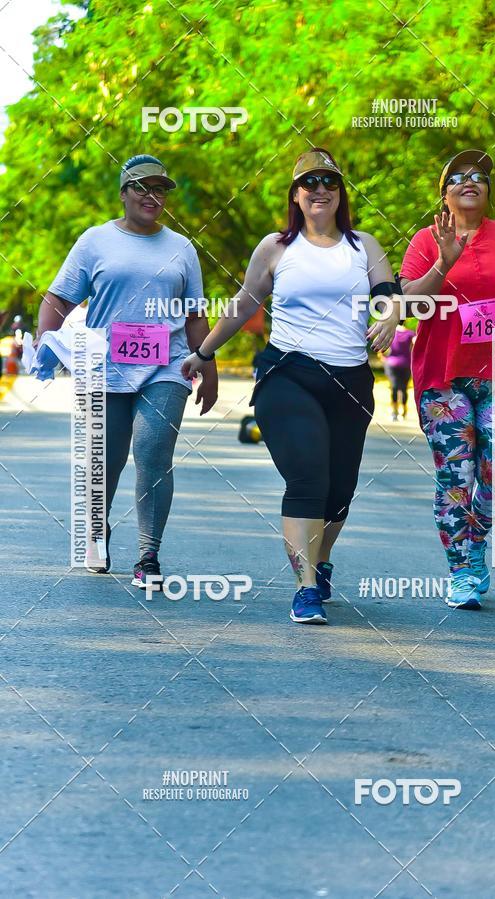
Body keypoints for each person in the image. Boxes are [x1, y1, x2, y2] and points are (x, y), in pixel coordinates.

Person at [182, 148, 401, 624]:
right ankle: (305, 589)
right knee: (308, 478)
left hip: (350, 380)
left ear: (341, 193)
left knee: (339, 489)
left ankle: (320, 564)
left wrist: (388, 317)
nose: (320, 189)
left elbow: (389, 293)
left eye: (330, 181)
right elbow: (243, 305)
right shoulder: (276, 248)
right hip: (289, 375)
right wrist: (203, 353)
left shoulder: (365, 245)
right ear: (296, 195)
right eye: (310, 183)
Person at [37, 154, 217, 584]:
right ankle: (96, 533)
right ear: (123, 194)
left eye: (159, 190)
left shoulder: (182, 248)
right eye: (142, 188)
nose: (151, 196)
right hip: (104, 365)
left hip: (167, 367)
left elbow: (194, 315)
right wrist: (49, 344)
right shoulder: (95, 241)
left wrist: (208, 367)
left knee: (153, 455)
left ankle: (148, 555)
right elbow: (59, 299)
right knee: (106, 459)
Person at [399, 149, 495, 609]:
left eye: (479, 176)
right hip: (443, 376)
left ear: (487, 191)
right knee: (456, 475)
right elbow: (406, 304)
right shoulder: (426, 240)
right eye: (458, 176)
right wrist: (443, 263)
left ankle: (476, 539)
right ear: (444, 193)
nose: (470, 181)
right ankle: (461, 569)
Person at [383, 323, 415, 420]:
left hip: (391, 364)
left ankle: (394, 412)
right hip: (406, 363)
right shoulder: (410, 333)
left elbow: (380, 347)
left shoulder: (388, 332)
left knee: (394, 387)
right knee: (404, 388)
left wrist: (384, 358)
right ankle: (404, 412)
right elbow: (416, 346)